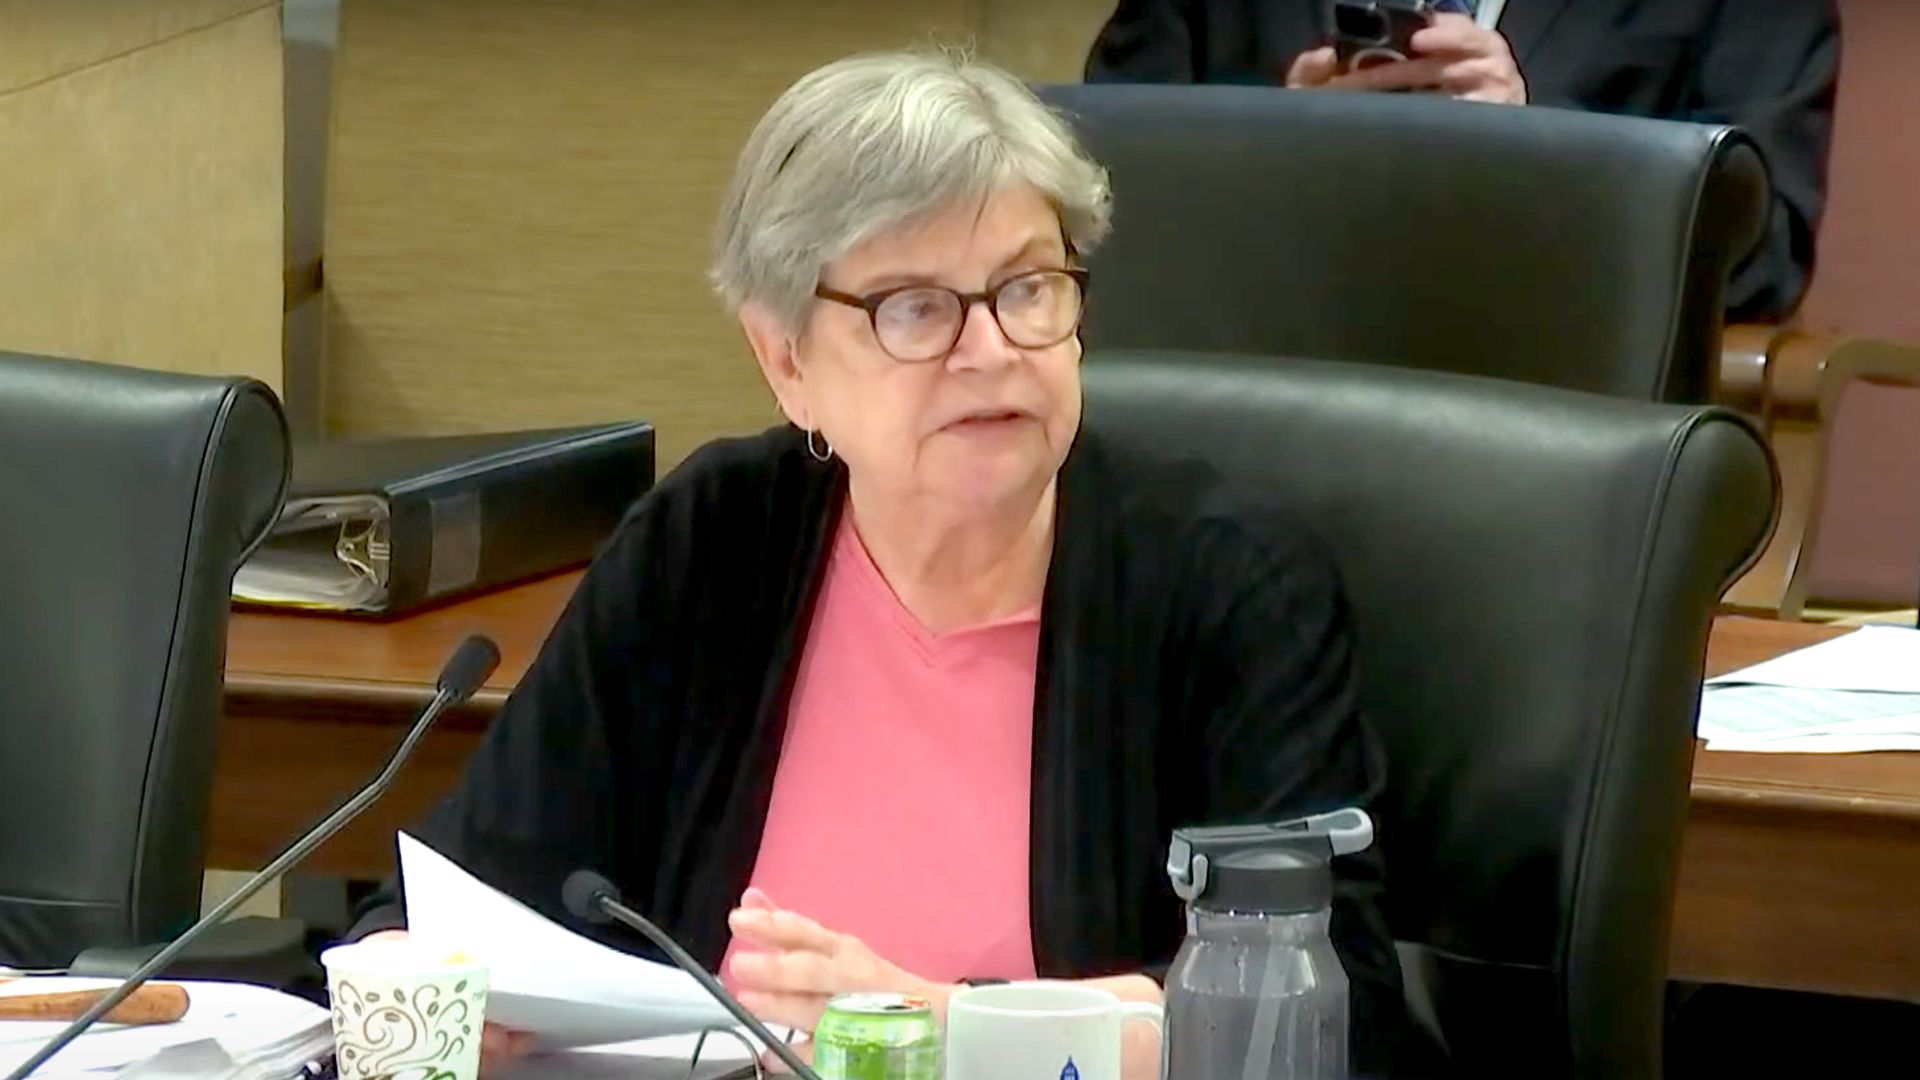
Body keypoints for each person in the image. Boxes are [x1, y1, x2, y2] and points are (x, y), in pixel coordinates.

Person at [350, 49, 1422, 1077]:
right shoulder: (710, 546)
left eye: (1027, 288)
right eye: (915, 307)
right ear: (785, 361)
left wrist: (933, 1025)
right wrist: (425, 975)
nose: (993, 347)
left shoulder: (1228, 587)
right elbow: (467, 898)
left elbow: (1329, 1016)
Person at [1085, 0, 1840, 323]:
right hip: (1245, 371)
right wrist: (1282, 139)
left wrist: (1535, 148)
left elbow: (1761, 254)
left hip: (1551, 396)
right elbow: (1100, 182)